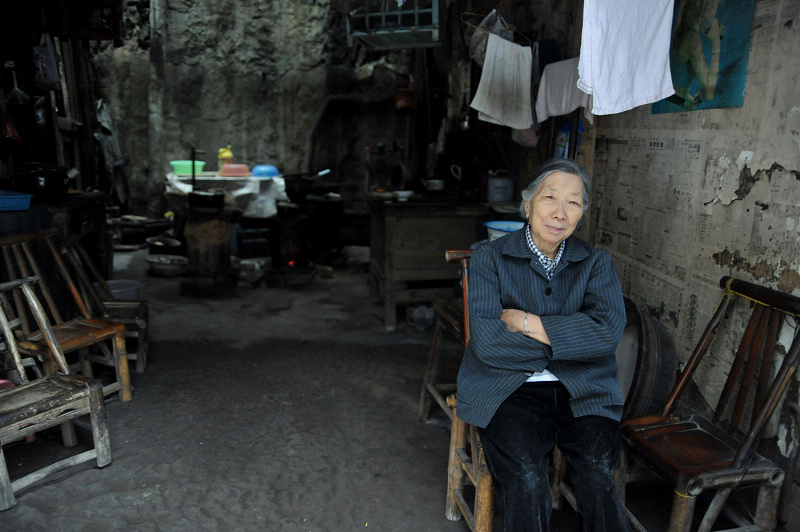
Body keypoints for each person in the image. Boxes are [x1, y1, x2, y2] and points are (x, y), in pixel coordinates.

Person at [456, 157, 630, 531]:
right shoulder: (490, 257)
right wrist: (573, 340)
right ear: (529, 202)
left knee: (600, 478)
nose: (560, 212)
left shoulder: (596, 262)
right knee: (526, 480)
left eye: (574, 202)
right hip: (508, 389)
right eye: (550, 197)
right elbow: (487, 342)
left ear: (582, 213)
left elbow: (607, 334)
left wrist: (525, 322)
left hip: (583, 389)